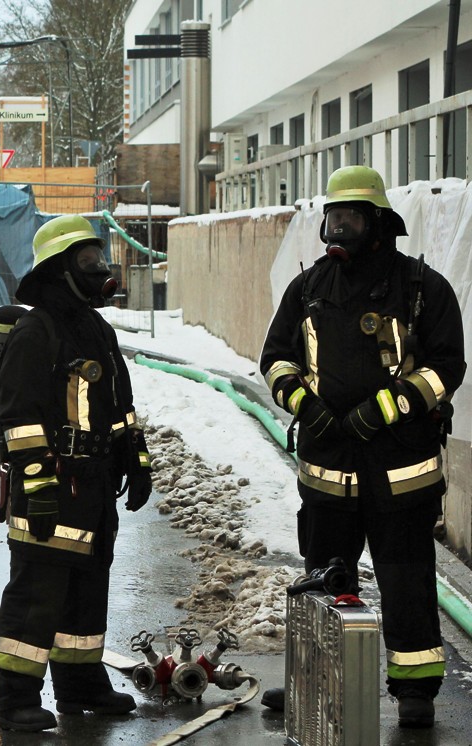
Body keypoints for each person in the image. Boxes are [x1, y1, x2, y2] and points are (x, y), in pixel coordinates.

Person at [259, 165, 466, 729]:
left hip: (402, 471)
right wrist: (307, 406)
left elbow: (447, 367)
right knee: (322, 582)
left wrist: (385, 408)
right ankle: (313, 681)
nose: (338, 230)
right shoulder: (307, 289)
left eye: (350, 219)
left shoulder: (422, 287)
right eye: (333, 217)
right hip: (327, 469)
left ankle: (415, 687)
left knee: (407, 582)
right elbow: (275, 359)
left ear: (378, 223)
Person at [0, 214, 154, 732]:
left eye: (98, 258)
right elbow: (17, 421)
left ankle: (81, 685)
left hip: (94, 486)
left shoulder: (96, 329)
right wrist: (38, 485)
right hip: (51, 486)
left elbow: (121, 407)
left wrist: (137, 461)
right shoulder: (35, 332)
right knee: (37, 594)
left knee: (87, 589)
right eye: (87, 261)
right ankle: (16, 697)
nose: (99, 269)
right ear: (59, 269)